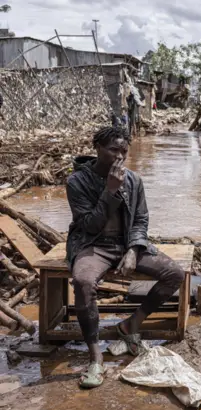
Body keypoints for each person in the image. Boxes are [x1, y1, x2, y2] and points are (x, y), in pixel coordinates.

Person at [65, 125, 184, 389]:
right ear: (97, 149)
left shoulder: (134, 180)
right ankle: (96, 357)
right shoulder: (77, 182)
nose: (119, 156)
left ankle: (131, 325)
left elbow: (140, 220)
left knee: (174, 274)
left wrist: (133, 249)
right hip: (92, 244)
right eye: (112, 150)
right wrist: (109, 191)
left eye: (124, 151)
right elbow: (89, 225)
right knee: (83, 283)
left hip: (126, 243)